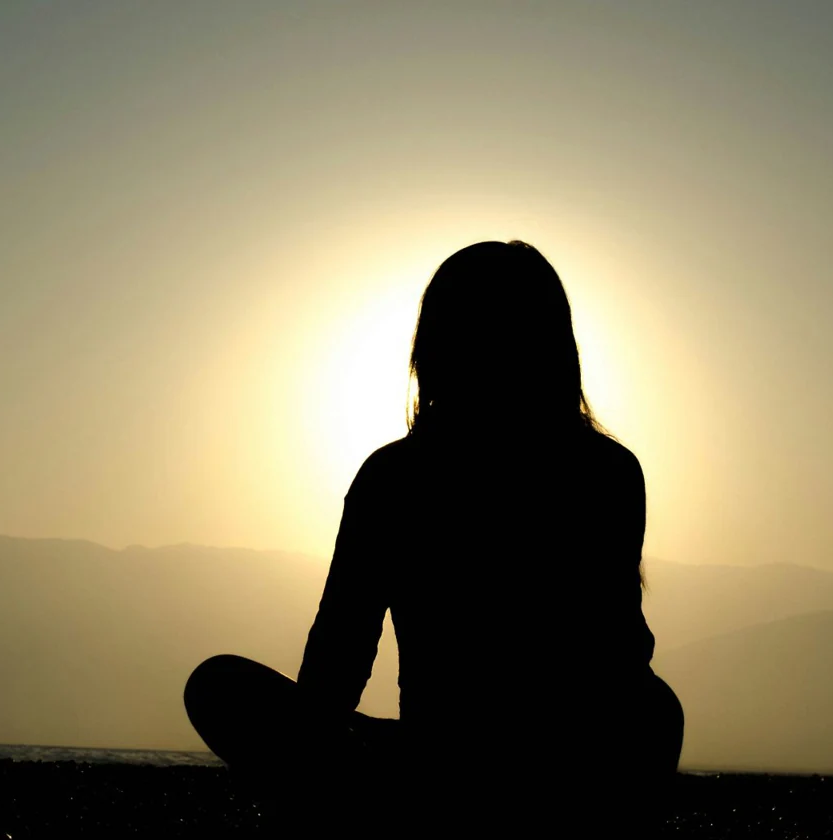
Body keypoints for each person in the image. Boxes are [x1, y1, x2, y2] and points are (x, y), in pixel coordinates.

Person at [184, 241, 684, 833]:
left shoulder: (395, 477)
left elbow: (336, 666)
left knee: (219, 687)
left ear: (433, 347)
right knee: (652, 709)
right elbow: (620, 653)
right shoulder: (607, 470)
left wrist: (310, 763)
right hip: (561, 767)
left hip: (448, 769)